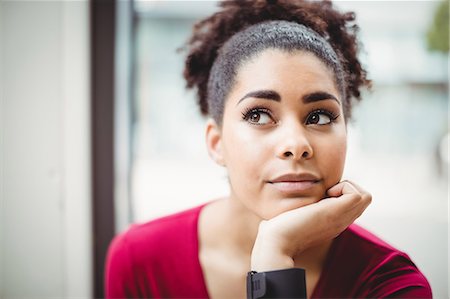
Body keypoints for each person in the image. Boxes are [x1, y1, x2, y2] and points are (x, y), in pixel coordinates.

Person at [105, 0, 432, 298]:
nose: (296, 145)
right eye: (258, 114)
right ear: (216, 144)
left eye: (319, 116)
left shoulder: (392, 284)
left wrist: (274, 255)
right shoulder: (139, 261)